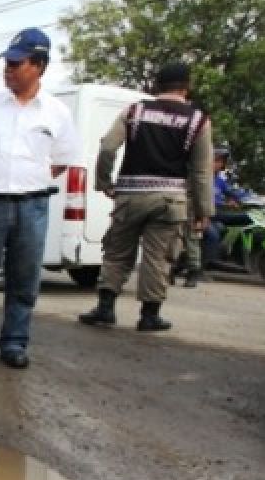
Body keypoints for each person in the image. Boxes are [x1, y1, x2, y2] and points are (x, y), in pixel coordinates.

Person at [0, 27, 80, 369]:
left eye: (16, 63)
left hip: (32, 206)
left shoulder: (56, 113)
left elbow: (60, 161)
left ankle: (14, 342)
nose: (8, 69)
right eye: (6, 63)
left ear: (39, 65)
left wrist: (27, 181)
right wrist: (0, 182)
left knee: (23, 280)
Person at [80, 61, 212, 331]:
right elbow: (201, 171)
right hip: (170, 200)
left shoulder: (135, 111)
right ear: (187, 87)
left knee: (117, 253)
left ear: (156, 86)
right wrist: (203, 211)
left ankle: (105, 309)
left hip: (130, 195)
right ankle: (149, 316)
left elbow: (107, 147)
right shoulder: (198, 120)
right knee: (158, 257)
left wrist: (104, 182)